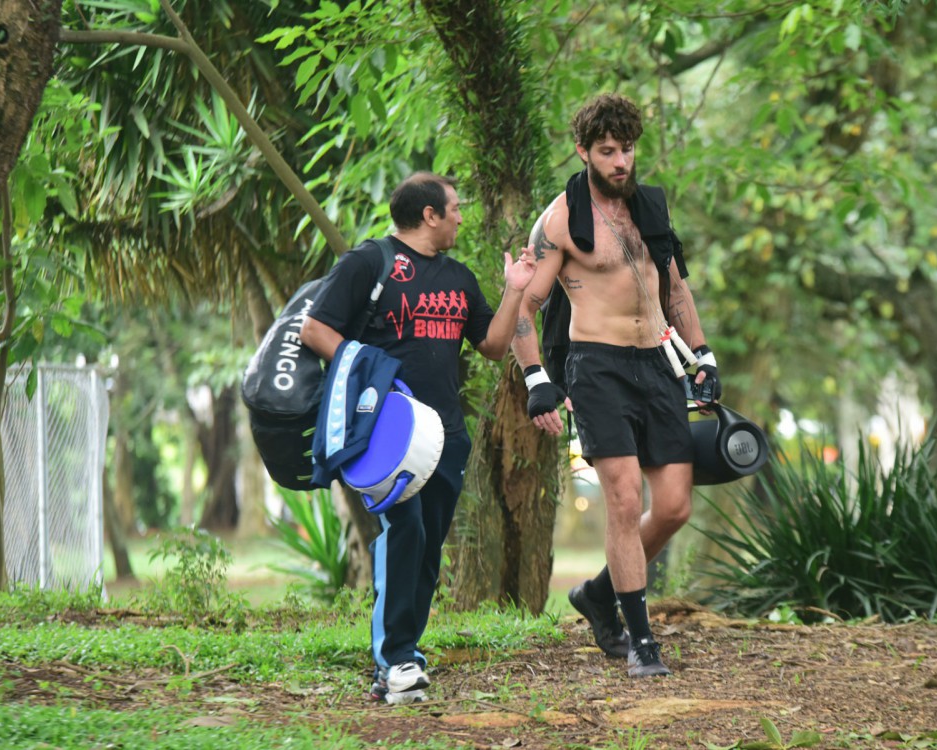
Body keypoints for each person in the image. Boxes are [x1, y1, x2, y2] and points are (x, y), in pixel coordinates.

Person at [301, 172, 536, 704]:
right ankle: (397, 661)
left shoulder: (458, 276)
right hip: (387, 433)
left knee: (428, 546)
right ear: (429, 214)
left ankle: (404, 655)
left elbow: (494, 345)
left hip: (446, 435)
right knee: (403, 529)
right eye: (454, 208)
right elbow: (315, 329)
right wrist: (369, 376)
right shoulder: (371, 262)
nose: (460, 215)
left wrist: (514, 291)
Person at [511, 94, 721, 678]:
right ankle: (641, 640)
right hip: (596, 367)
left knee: (674, 507)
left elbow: (674, 288)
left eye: (627, 149)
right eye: (607, 152)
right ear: (583, 152)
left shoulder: (649, 206)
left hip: (658, 364)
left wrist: (701, 353)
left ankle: (598, 595)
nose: (621, 161)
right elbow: (526, 307)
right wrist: (538, 380)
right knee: (626, 499)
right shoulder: (561, 221)